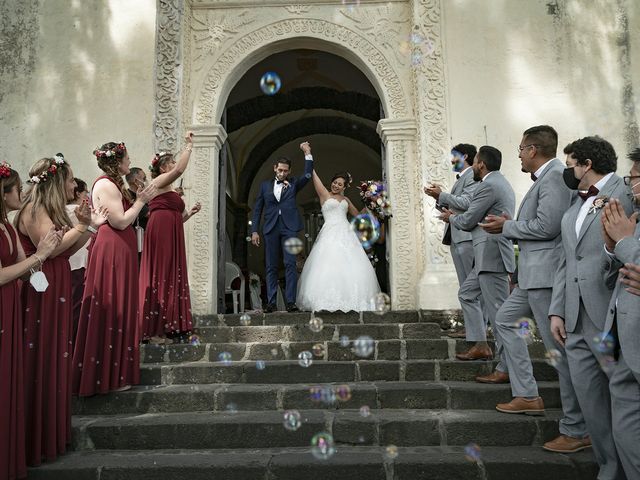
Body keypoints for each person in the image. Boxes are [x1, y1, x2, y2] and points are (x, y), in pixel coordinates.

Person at [480, 126, 589, 452]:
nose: (517, 154)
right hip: (531, 276)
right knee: (503, 320)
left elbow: (548, 226)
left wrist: (507, 226)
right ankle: (527, 394)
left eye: (520, 149)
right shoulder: (548, 177)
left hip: (546, 277)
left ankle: (576, 428)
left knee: (558, 353)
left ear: (532, 150)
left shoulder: (555, 175)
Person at [549, 136, 631, 480]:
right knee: (590, 401)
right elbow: (567, 261)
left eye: (570, 165)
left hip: (611, 314)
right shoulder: (574, 207)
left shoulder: (626, 193)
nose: (567, 172)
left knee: (626, 402)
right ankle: (608, 469)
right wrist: (557, 310)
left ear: (585, 164)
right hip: (576, 318)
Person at [15, 155, 105, 466]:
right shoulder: (35, 209)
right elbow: (49, 248)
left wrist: (86, 228)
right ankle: (36, 437)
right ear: (55, 181)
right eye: (69, 179)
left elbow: (66, 249)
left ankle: (51, 435)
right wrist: (81, 224)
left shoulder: (49, 209)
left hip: (56, 283)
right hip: (41, 287)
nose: (73, 184)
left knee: (56, 353)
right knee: (43, 355)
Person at [73, 142, 156, 397]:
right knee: (115, 307)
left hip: (119, 248)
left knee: (120, 305)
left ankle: (113, 372)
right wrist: (141, 201)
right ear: (116, 161)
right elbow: (120, 221)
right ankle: (107, 376)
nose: (130, 163)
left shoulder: (111, 182)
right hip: (113, 248)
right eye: (127, 159)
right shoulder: (106, 184)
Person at [1, 163, 61, 480]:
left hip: (13, 303)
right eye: (15, 190)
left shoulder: (9, 225)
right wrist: (41, 255)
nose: (21, 193)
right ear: (4, 193)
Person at [440, 146, 515, 372]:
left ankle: (505, 368)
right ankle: (481, 344)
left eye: (475, 162)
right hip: (486, 254)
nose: (473, 165)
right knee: (467, 293)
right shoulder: (496, 182)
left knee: (498, 313)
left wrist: (451, 217)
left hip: (491, 254)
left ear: (481, 164)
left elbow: (469, 219)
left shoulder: (489, 185)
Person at [600, 147, 640, 478]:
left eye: (635, 177)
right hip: (624, 338)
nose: (631, 186)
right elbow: (618, 275)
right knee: (626, 432)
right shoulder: (635, 220)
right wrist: (613, 248)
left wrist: (625, 243)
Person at [139, 133, 200, 344]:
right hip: (161, 231)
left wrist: (189, 213)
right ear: (163, 168)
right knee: (162, 272)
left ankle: (171, 324)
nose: (174, 165)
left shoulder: (168, 188)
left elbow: (176, 219)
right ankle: (156, 328)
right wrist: (189, 146)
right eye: (170, 163)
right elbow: (180, 169)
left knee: (172, 272)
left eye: (174, 161)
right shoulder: (157, 181)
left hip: (171, 230)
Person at [297, 167, 381, 312]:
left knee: (351, 266)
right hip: (329, 233)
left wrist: (369, 202)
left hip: (346, 233)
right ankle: (327, 300)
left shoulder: (346, 200)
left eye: (340, 184)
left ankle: (351, 299)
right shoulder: (325, 195)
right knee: (329, 265)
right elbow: (314, 178)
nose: (336, 185)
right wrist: (308, 156)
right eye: (335, 182)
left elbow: (358, 215)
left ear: (344, 187)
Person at [425, 143, 480, 339]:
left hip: (466, 237)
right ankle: (472, 328)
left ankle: (477, 331)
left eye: (454, 156)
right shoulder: (462, 178)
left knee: (471, 287)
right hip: (457, 236)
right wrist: (439, 199)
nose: (451, 160)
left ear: (465, 155)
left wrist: (442, 194)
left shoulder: (473, 176)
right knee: (465, 285)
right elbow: (455, 206)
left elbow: (467, 203)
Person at [251, 142, 314, 313]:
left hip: (289, 227)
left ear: (290, 171)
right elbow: (257, 209)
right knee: (271, 265)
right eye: (280, 170)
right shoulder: (264, 186)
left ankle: (291, 302)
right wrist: (254, 230)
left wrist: (307, 153)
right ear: (275, 169)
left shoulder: (293, 184)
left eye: (286, 171)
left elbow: (308, 175)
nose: (282, 173)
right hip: (270, 228)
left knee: (290, 264)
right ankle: (271, 302)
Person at [66, 178, 90, 343]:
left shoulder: (64, 209)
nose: (87, 195)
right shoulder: (74, 210)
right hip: (78, 262)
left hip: (72, 262)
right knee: (76, 306)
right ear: (78, 194)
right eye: (85, 192)